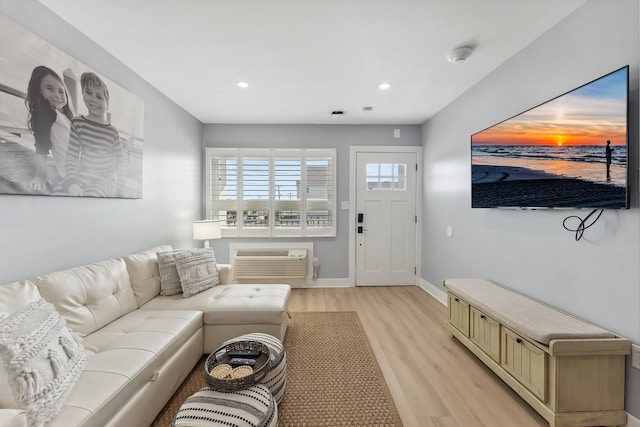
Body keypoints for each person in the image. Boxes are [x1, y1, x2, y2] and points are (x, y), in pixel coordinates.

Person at [63, 72, 125, 197]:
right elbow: (72, 156)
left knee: (92, 196)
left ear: (107, 104)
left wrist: (120, 190)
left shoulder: (113, 132)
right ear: (82, 93)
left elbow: (120, 163)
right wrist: (71, 181)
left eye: (99, 96)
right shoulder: (77, 123)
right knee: (60, 193)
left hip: (105, 179)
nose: (93, 99)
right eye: (89, 93)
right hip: (82, 175)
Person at [25, 65, 74, 192]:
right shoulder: (44, 112)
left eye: (61, 91)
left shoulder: (62, 115)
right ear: (39, 90)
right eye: (49, 89)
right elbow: (41, 146)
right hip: (73, 172)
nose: (57, 95)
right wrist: (41, 176)